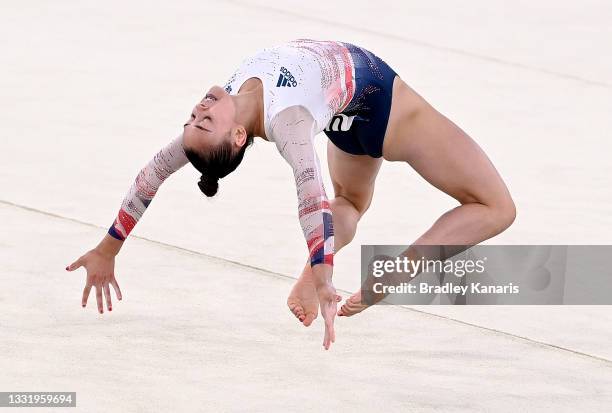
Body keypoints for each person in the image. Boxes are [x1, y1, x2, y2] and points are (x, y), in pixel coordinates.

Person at [66, 39, 516, 350]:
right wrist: (323, 277)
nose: (199, 109)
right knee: (495, 206)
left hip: (346, 111)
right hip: (385, 107)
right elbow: (309, 192)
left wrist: (108, 249)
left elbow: (152, 175)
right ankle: (399, 270)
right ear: (239, 135)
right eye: (204, 121)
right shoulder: (290, 122)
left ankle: (323, 268)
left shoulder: (231, 106)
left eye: (193, 117)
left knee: (351, 204)